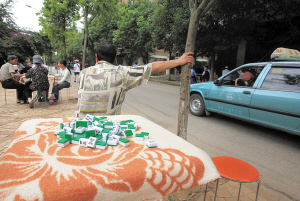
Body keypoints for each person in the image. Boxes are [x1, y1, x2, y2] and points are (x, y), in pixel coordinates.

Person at [75, 42, 194, 117]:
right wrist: (179, 61)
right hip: (108, 130)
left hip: (81, 127)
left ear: (96, 57)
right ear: (115, 59)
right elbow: (153, 67)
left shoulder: (82, 73)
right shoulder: (122, 73)